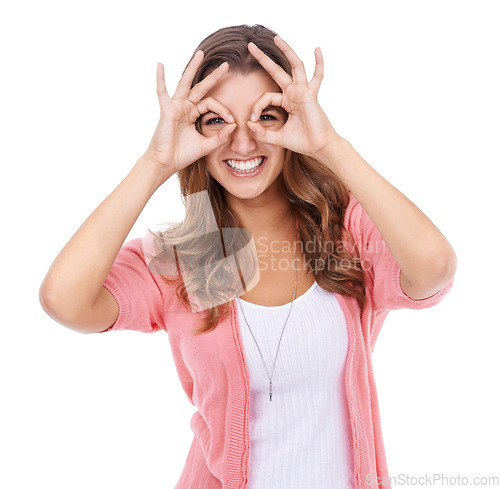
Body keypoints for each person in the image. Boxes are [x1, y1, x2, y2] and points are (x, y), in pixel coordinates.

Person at [39, 24, 457, 489]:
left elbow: (433, 267)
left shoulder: (345, 232)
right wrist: (154, 163)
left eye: (267, 116)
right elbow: (64, 300)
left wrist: (329, 146)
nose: (242, 143)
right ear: (193, 130)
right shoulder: (183, 260)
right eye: (217, 121)